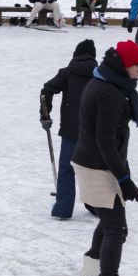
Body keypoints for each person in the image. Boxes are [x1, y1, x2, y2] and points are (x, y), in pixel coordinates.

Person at [72, 40, 138, 276]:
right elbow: (104, 141)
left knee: (108, 220)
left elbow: (111, 139)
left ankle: (92, 269)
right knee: (117, 228)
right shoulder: (109, 93)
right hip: (97, 166)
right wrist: (123, 178)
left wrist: (124, 173)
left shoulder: (108, 83)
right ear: (125, 65)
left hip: (95, 162)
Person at [40, 39, 98, 219]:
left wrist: (45, 114)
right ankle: (97, 206)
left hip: (71, 130)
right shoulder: (100, 74)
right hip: (95, 131)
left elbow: (46, 90)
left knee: (66, 168)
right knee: (93, 168)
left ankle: (63, 209)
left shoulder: (67, 73)